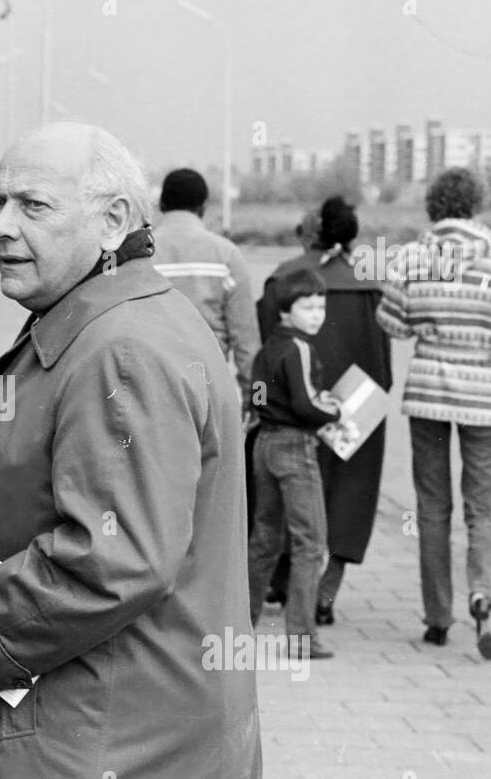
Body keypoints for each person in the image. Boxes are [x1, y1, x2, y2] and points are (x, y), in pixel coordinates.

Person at [0, 122, 261, 779]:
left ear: (114, 222)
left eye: (33, 207)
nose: (2, 226)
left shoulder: (119, 349)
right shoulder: (116, 321)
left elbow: (111, 559)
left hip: (100, 762)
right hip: (100, 735)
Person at [377, 168, 491, 658]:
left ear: (435, 205)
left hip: (428, 391)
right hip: (487, 398)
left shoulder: (412, 257)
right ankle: (483, 595)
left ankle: (437, 617)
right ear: (479, 203)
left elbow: (392, 321)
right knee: (483, 505)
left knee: (432, 506)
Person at [257, 197, 392, 624]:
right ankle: (324, 593)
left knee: (282, 499)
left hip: (291, 409)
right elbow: (384, 355)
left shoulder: (284, 278)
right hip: (355, 405)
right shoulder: (369, 282)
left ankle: (281, 583)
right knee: (347, 496)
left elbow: (267, 347)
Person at [247, 268, 345, 658]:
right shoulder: (300, 349)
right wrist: (333, 410)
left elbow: (255, 397)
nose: (317, 314)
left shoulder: (267, 348)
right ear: (287, 311)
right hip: (295, 448)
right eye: (308, 306)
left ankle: (242, 621)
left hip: (264, 444)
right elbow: (307, 401)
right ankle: (303, 638)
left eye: (321, 306)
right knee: (310, 544)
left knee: (264, 540)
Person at [151, 168, 260, 412]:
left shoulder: (141, 254)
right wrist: (255, 400)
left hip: (151, 386)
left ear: (161, 204)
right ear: (203, 207)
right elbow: (246, 340)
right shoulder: (227, 255)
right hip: (209, 387)